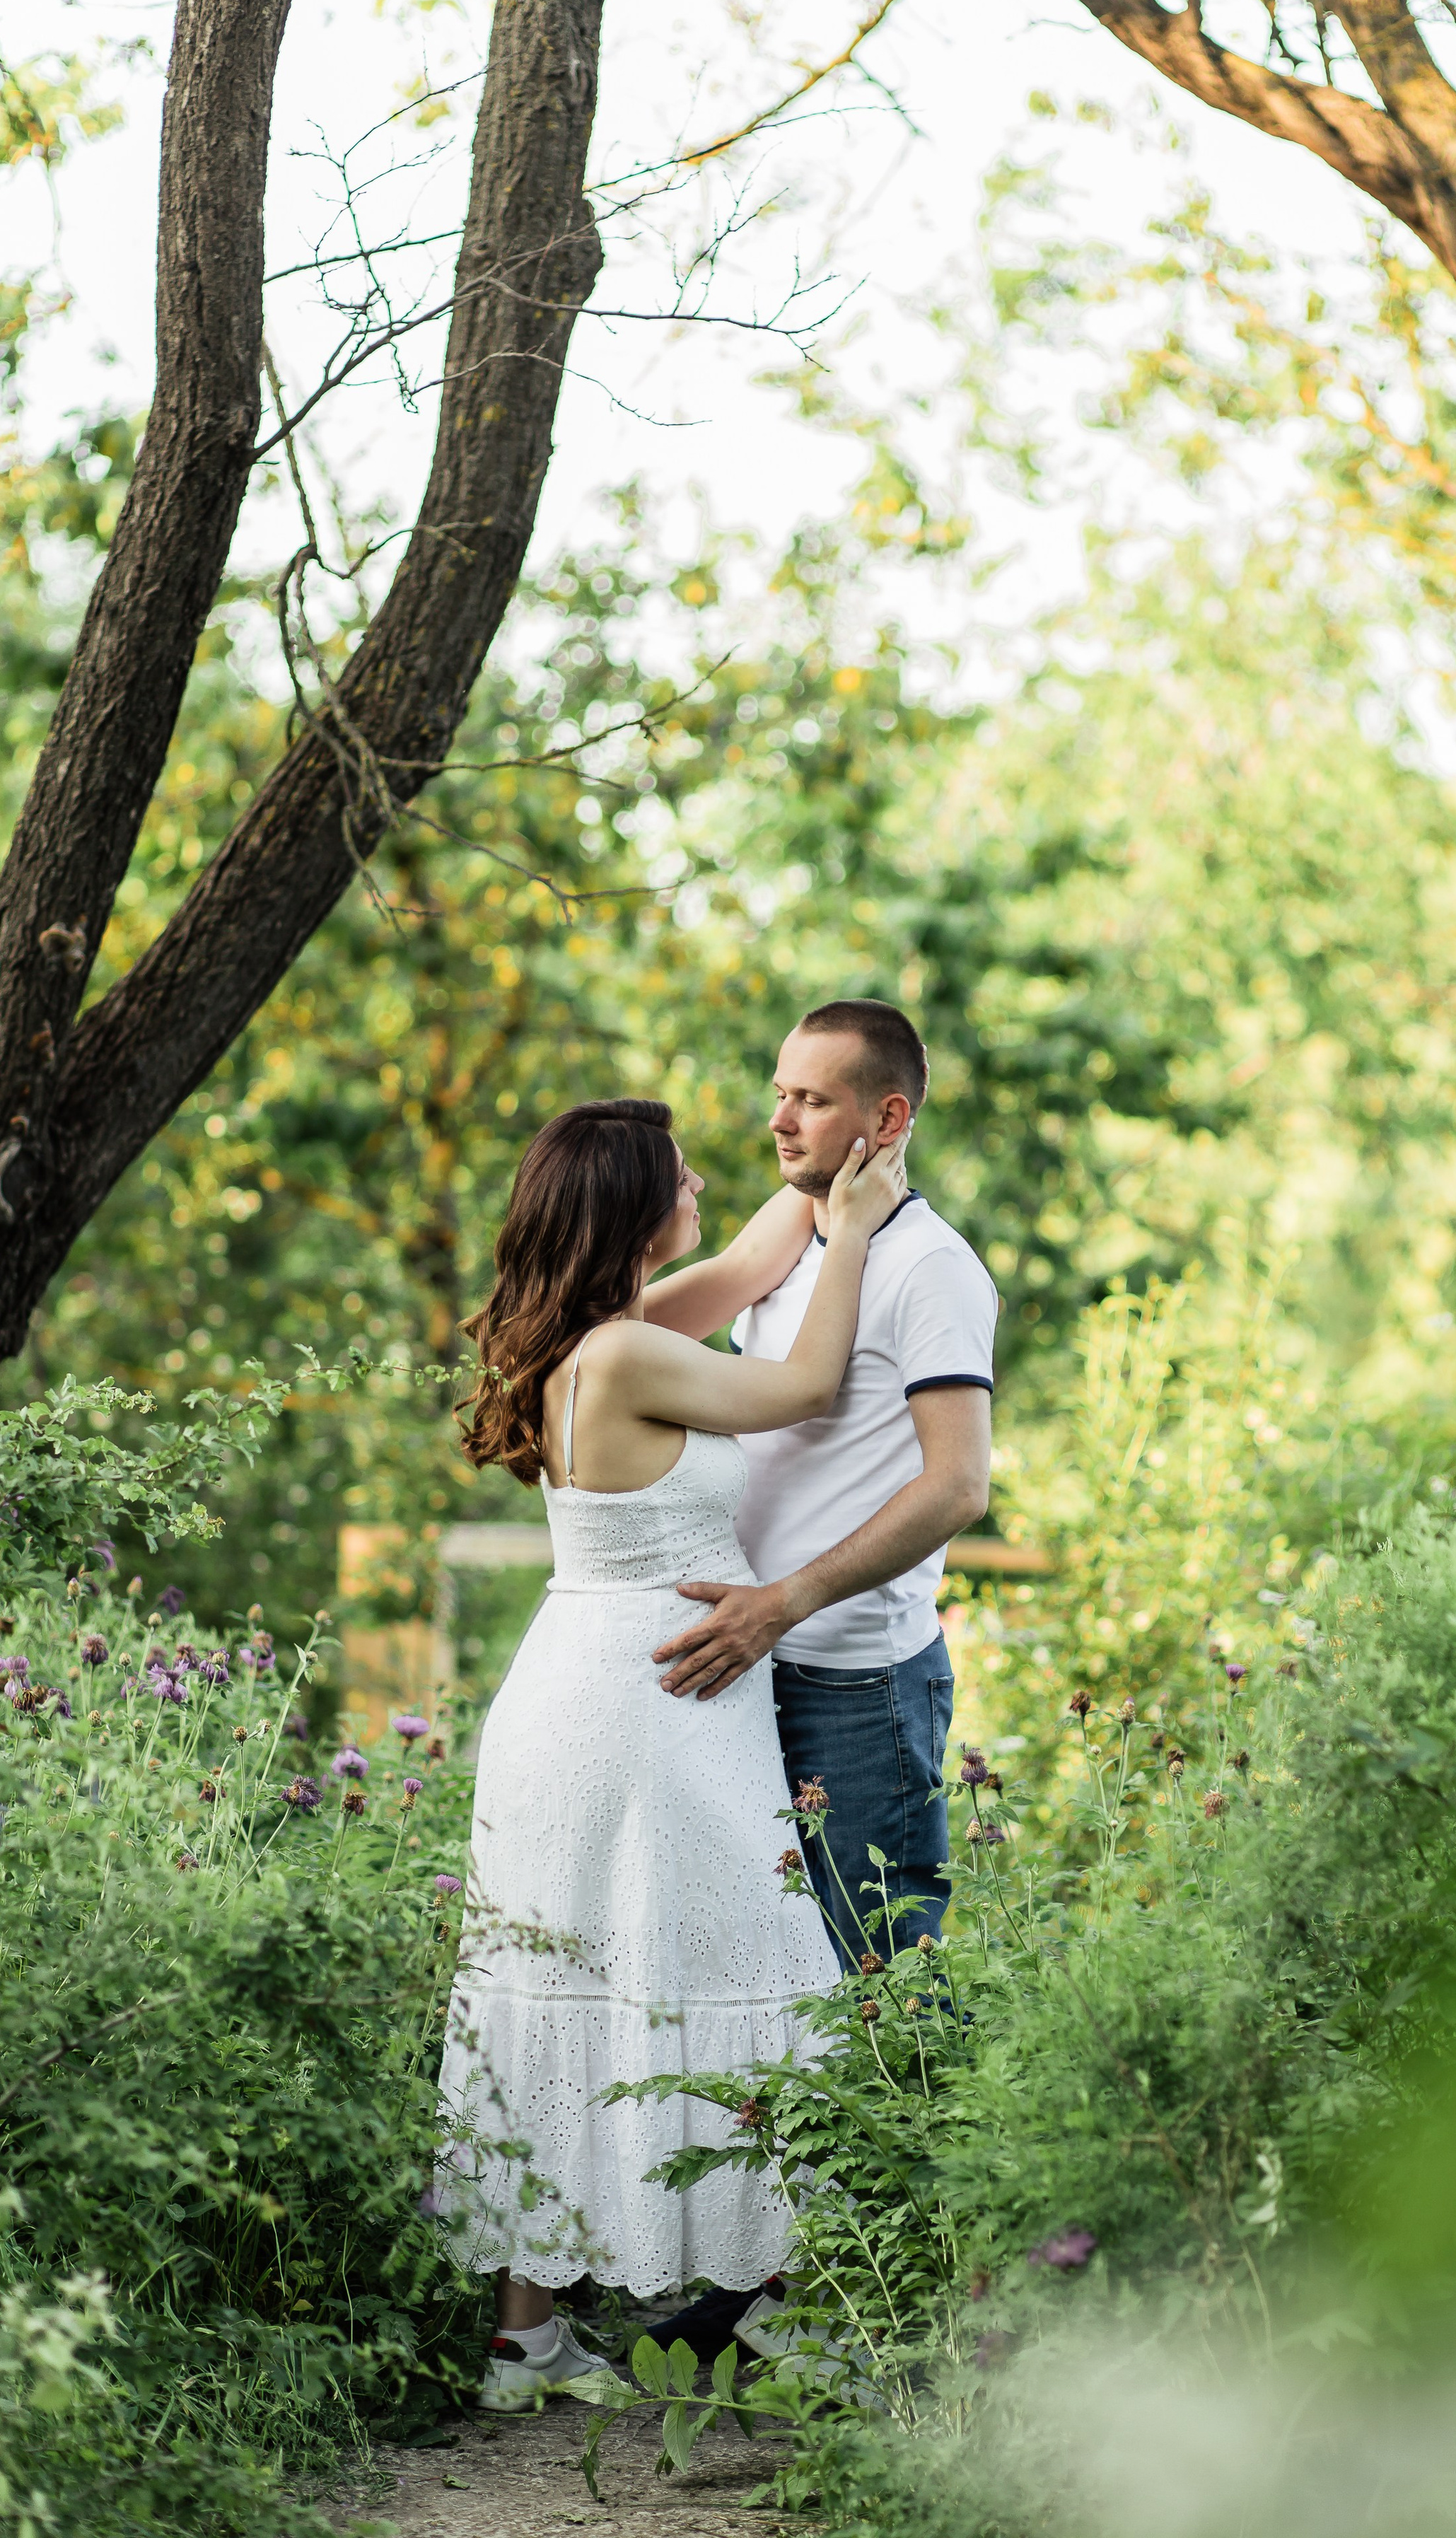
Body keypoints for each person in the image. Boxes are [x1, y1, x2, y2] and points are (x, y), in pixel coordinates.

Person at [436, 1096, 907, 2413]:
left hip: (611, 1695)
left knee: (581, 1969)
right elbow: (807, 1380)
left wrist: (835, 1172)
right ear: (637, 1207)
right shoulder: (627, 1357)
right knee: (742, 1960)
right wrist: (860, 1233)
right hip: (645, 1711)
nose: (707, 1172)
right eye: (682, 1167)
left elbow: (761, 1263)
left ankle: (527, 2341)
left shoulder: (607, 1337)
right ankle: (786, 2311)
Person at [646, 1001, 996, 1969]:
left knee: (879, 1978)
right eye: (779, 1095)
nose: (780, 1120)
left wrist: (785, 1601)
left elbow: (960, 1484)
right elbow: (633, 1332)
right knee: (765, 1979)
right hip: (746, 1663)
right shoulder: (798, 1226)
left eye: (810, 1099)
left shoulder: (931, 1268)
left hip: (859, 1686)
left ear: (886, 1122)